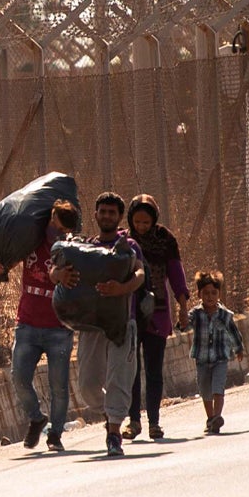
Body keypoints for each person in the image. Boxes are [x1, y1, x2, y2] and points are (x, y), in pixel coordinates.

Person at [54, 192, 147, 456]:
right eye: (102, 212)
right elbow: (54, 269)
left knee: (119, 377)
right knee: (87, 386)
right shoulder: (84, 248)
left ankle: (114, 433)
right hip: (91, 325)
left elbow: (140, 273)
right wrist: (59, 274)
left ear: (119, 217)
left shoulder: (128, 246)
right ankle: (113, 414)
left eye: (112, 212)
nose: (106, 216)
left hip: (121, 322)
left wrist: (122, 288)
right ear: (95, 215)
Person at [0, 198, 76, 453]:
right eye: (54, 224)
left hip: (59, 327)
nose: (56, 231)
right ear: (49, 217)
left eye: (62, 228)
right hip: (27, 323)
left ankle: (55, 434)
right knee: (19, 377)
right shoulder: (31, 239)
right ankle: (36, 418)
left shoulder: (70, 249)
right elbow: (7, 266)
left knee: (58, 386)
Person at [123, 195, 188, 442]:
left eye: (145, 222)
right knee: (131, 369)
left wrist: (182, 307)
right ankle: (134, 420)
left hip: (158, 313)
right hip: (130, 313)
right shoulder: (124, 241)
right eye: (137, 222)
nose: (141, 226)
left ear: (154, 220)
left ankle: (154, 422)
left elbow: (176, 275)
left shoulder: (166, 241)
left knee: (153, 370)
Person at [186, 272, 243, 434]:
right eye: (206, 293)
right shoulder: (195, 314)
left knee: (218, 388)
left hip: (220, 359)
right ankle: (210, 419)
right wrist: (181, 320)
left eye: (213, 293)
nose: (210, 297)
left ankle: (217, 417)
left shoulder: (225, 315)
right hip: (202, 360)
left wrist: (238, 348)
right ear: (199, 294)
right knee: (205, 389)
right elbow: (184, 327)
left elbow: (233, 332)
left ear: (219, 294)